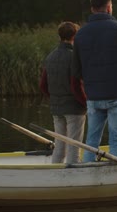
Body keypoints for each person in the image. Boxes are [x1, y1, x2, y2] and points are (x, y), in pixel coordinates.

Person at [72, 0, 117, 162]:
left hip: (93, 95)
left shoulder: (80, 34)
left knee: (91, 142)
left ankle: (87, 173)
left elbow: (76, 70)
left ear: (92, 9)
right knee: (116, 141)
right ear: (109, 8)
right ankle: (114, 176)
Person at [40, 21, 87, 164]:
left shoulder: (50, 57)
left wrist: (54, 98)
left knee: (59, 145)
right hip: (74, 108)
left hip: (56, 107)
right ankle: (73, 177)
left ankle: (56, 174)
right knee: (74, 145)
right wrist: (86, 103)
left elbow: (43, 85)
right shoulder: (74, 57)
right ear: (75, 36)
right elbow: (76, 86)